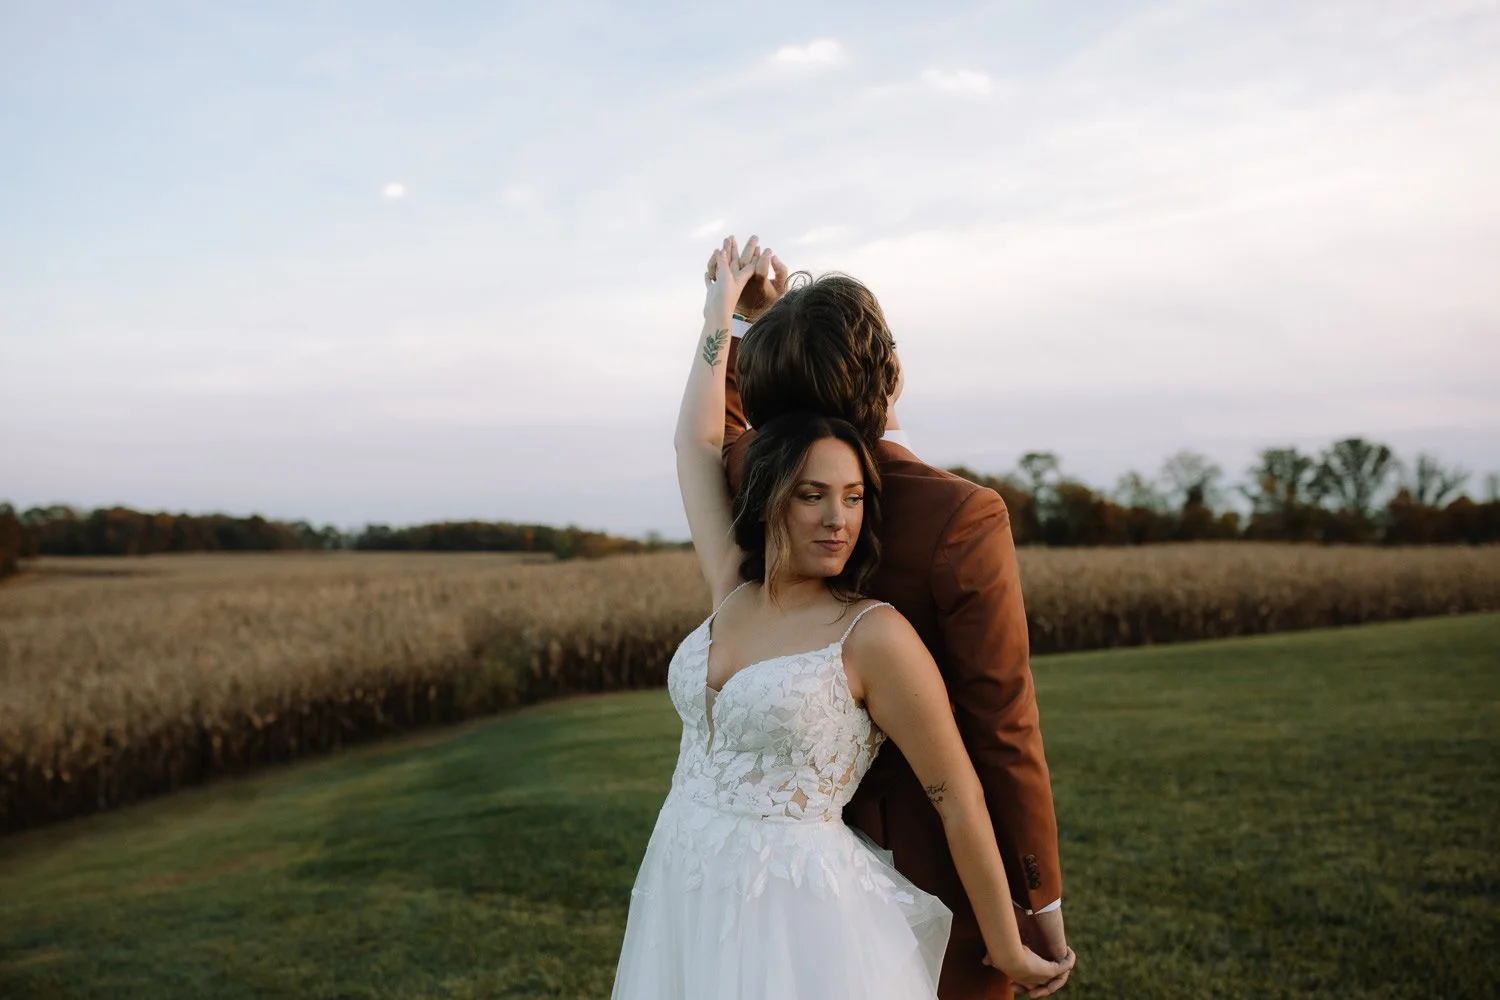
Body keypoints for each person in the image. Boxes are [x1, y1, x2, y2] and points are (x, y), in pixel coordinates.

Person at [610, 239, 1071, 1000]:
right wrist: (723, 316)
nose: (838, 521)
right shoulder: (745, 569)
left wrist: (741, 324)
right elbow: (1004, 719)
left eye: (854, 500)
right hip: (687, 874)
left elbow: (960, 779)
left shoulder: (866, 622)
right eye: (814, 496)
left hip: (807, 900)